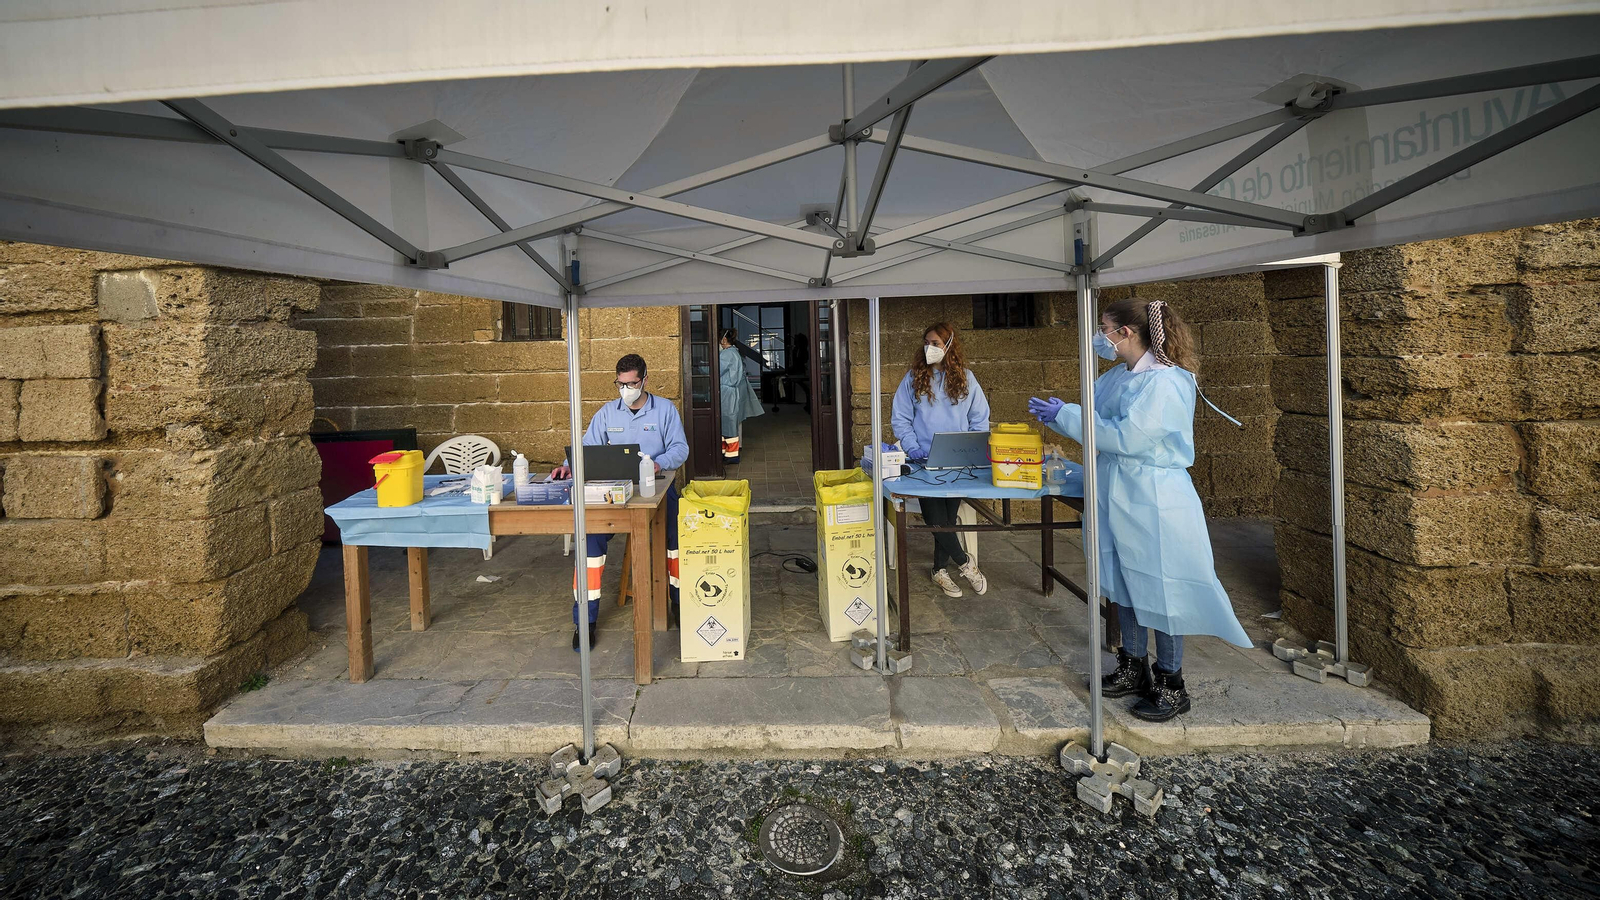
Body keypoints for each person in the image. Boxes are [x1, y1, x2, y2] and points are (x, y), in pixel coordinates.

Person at [1028, 298, 1249, 722]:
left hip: (1154, 496)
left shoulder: (1166, 382)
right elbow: (1095, 420)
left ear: (1126, 333)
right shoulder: (1118, 376)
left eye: (1104, 327)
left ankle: (1171, 683)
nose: (1100, 336)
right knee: (1122, 582)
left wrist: (1070, 416)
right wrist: (1061, 417)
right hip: (1115, 490)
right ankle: (1133, 666)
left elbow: (1129, 436)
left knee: (1163, 589)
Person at [552, 353, 689, 650]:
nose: (626, 389)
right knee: (588, 543)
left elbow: (680, 449)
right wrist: (568, 464)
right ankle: (585, 622)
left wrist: (658, 463)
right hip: (613, 494)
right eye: (621, 384)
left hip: (657, 489)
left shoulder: (664, 410)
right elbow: (587, 447)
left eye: (632, 383)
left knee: (677, 537)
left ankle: (679, 603)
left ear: (645, 381)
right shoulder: (606, 414)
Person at [890, 321, 991, 599]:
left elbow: (979, 419)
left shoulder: (966, 378)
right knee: (936, 517)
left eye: (935, 343)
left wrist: (968, 449)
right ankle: (965, 563)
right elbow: (901, 418)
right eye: (927, 343)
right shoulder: (913, 379)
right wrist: (912, 446)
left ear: (948, 346)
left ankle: (939, 569)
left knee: (946, 516)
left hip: (956, 462)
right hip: (923, 461)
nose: (930, 348)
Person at [718, 329, 764, 464]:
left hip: (727, 392)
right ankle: (728, 453)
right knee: (729, 423)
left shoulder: (726, 354)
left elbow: (716, 370)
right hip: (733, 391)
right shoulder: (735, 352)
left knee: (728, 423)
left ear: (724, 340)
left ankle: (731, 455)